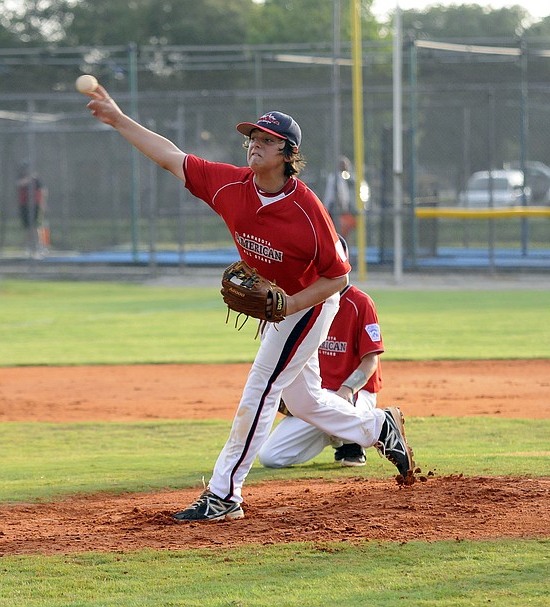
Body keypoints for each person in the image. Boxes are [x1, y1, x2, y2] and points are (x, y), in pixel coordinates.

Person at [84, 89, 415, 522]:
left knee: (261, 388)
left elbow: (339, 278)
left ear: (287, 152)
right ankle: (378, 427)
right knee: (306, 401)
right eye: (252, 136)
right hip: (280, 306)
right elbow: (169, 155)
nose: (255, 143)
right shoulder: (229, 185)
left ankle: (225, 494)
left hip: (310, 303)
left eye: (266, 138)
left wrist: (293, 302)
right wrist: (119, 119)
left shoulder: (308, 211)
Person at [259, 237, 384, 469]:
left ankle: (359, 435)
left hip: (353, 393)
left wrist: (347, 389)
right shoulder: (301, 303)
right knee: (271, 457)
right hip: (318, 398)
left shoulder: (360, 303)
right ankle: (336, 433)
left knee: (341, 404)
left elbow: (371, 361)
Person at [16, 164, 48, 258]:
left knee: (36, 226)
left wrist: (43, 203)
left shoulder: (36, 179)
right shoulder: (22, 177)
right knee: (27, 228)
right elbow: (19, 184)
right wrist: (29, 178)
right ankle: (28, 248)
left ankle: (39, 247)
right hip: (24, 205)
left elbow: (43, 190)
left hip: (35, 205)